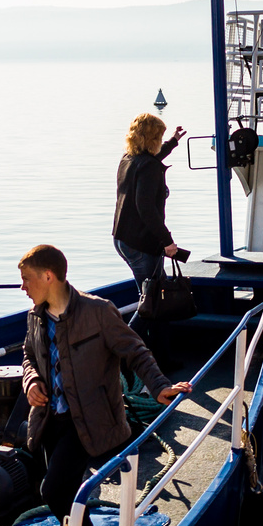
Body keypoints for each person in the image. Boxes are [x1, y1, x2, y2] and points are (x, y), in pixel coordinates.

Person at [17, 244, 191, 526]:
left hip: (89, 422)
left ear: (48, 276)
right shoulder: (35, 314)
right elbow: (28, 354)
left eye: (26, 279)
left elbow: (134, 351)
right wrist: (31, 380)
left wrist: (159, 386)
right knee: (66, 494)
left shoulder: (98, 312)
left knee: (53, 492)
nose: (22, 287)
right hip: (50, 420)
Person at [112, 113, 185, 361]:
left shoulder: (129, 159)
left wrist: (173, 142)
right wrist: (167, 242)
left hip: (122, 239)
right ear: (152, 138)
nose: (162, 140)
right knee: (150, 303)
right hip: (142, 243)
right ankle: (118, 355)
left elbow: (152, 160)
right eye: (161, 137)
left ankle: (161, 356)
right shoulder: (150, 166)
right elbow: (146, 208)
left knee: (155, 298)